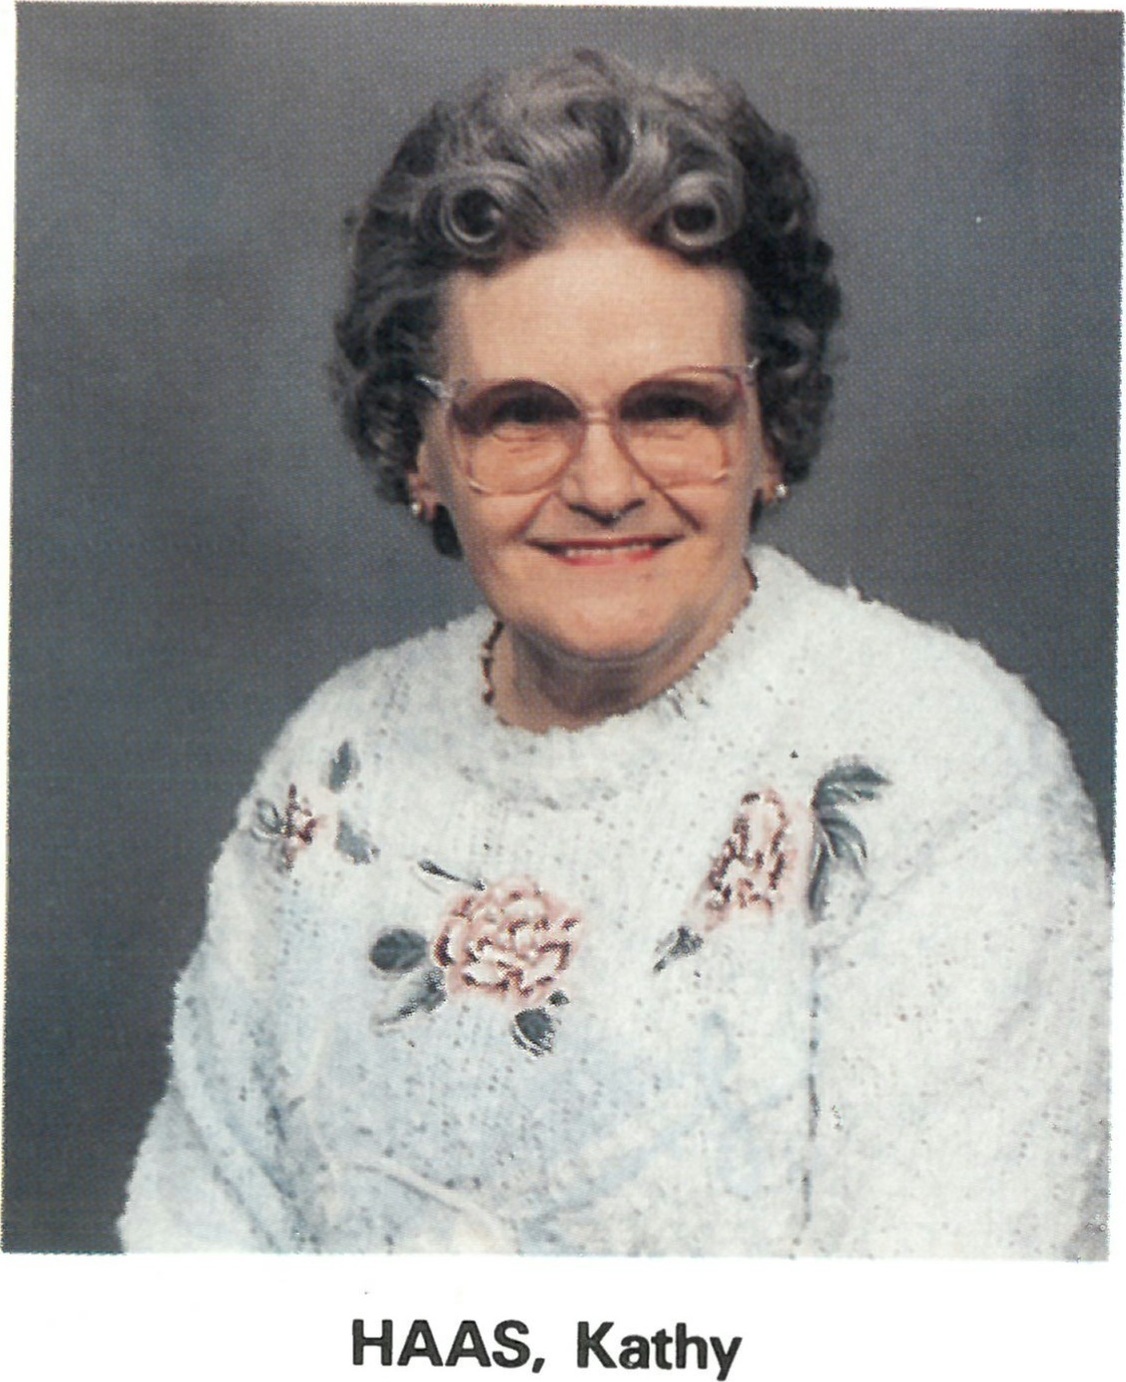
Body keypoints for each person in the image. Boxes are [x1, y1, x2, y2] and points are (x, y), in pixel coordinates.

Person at [119, 50, 1109, 1257]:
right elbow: (193, 1266)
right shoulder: (338, 760)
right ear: (419, 449)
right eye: (520, 413)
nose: (602, 483)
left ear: (769, 429)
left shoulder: (938, 758)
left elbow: (937, 1318)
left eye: (672, 406)